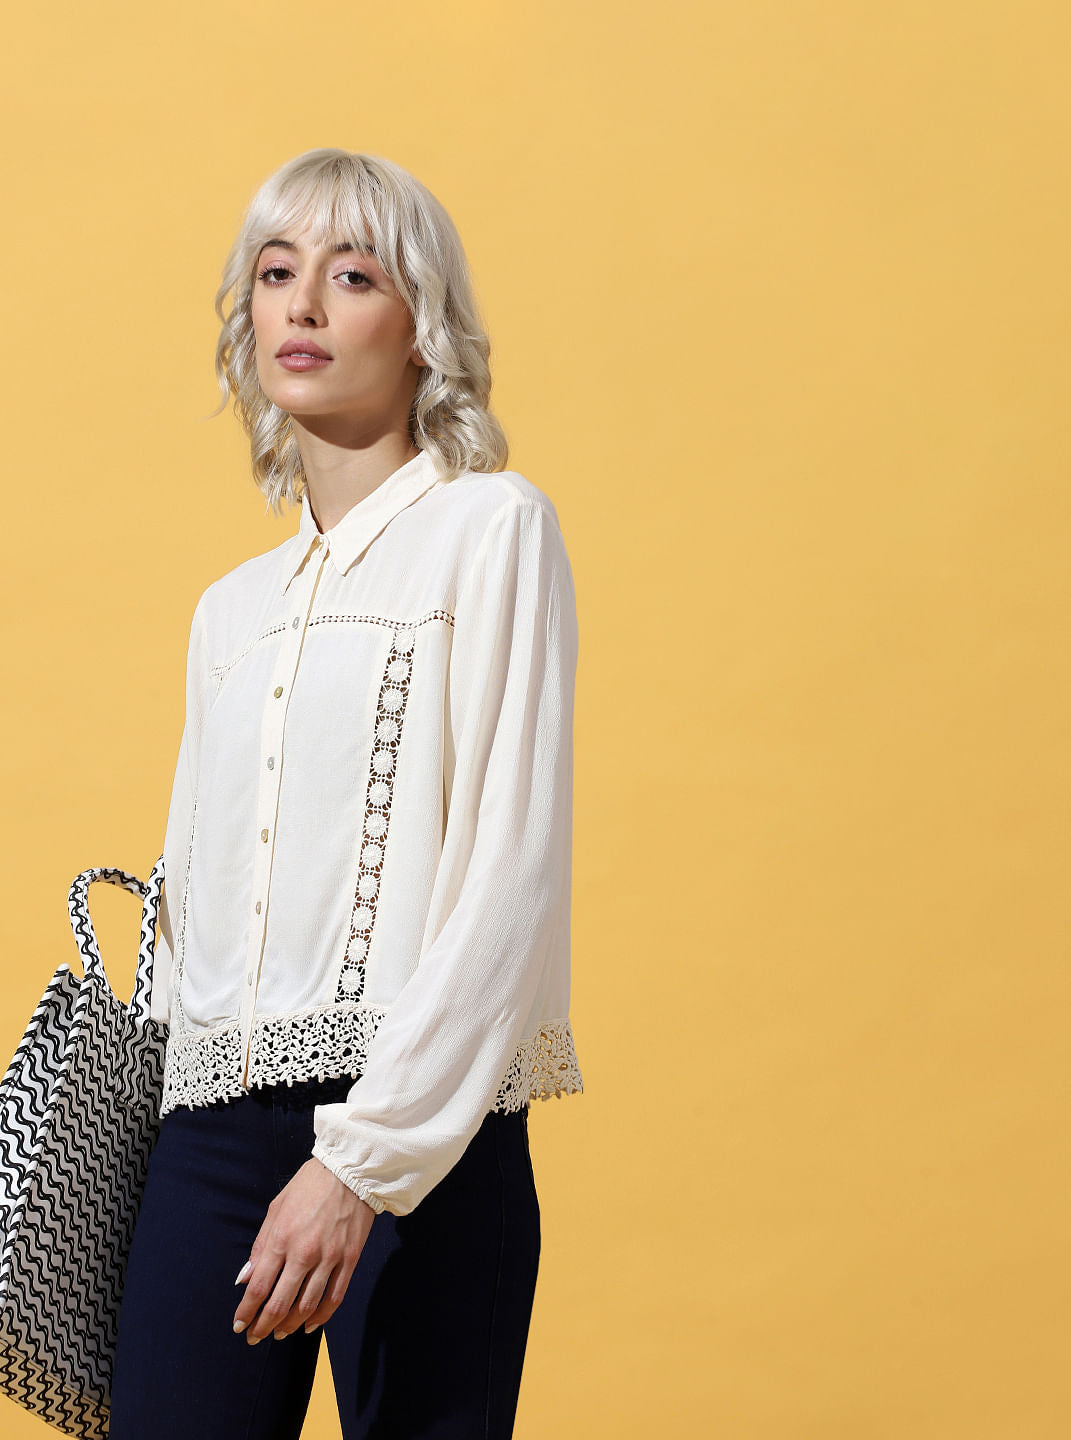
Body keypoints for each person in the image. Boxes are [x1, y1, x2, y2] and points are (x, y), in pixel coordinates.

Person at [107, 147, 584, 1440]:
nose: (303, 305)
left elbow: (511, 873)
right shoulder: (230, 611)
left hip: (426, 1135)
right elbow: (189, 901)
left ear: (425, 326)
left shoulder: (491, 531)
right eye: (276, 274)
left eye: (352, 275)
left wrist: (362, 1164)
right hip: (209, 1141)